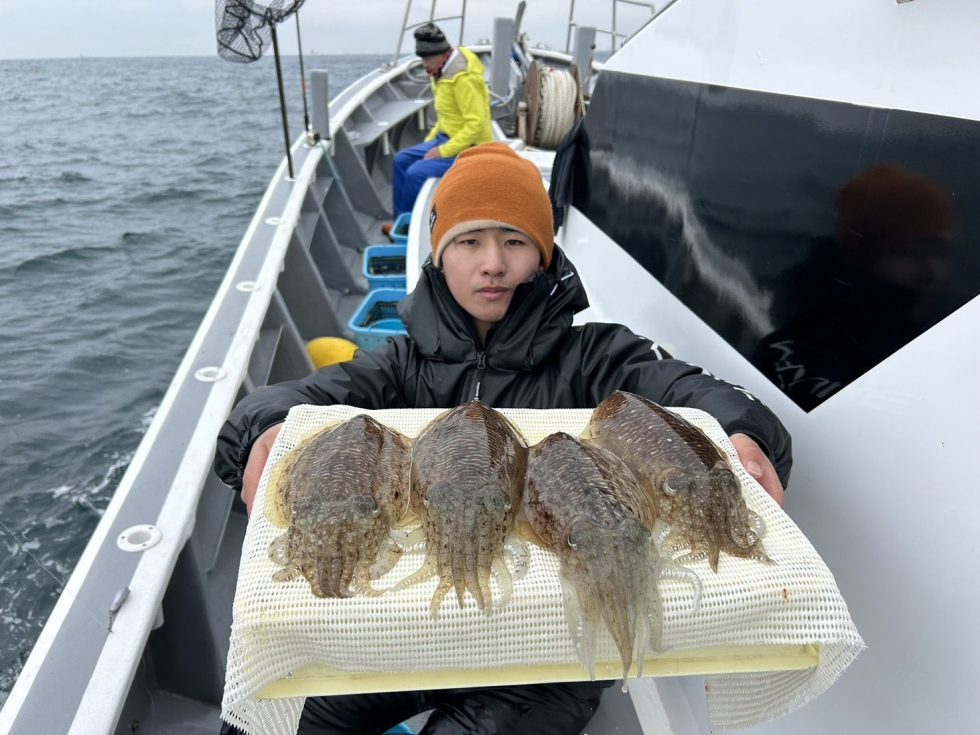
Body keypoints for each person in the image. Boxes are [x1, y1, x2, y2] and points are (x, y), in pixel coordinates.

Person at [215, 142, 792, 734]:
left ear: (543, 257)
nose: (493, 263)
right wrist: (265, 429)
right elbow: (298, 398)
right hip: (412, 626)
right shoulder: (400, 364)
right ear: (440, 255)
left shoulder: (598, 355)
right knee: (261, 718)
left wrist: (743, 431)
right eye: (469, 241)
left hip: (551, 647)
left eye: (515, 241)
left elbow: (689, 389)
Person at [754, 164, 956, 410]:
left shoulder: (951, 323)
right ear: (865, 256)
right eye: (910, 253)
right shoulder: (808, 329)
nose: (931, 272)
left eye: (939, 252)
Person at [384, 22, 493, 233]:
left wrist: (442, 151)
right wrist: (430, 142)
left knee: (415, 173)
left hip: (470, 148)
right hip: (446, 138)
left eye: (426, 60)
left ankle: (416, 229)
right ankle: (401, 223)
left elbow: (476, 124)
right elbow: (447, 116)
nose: (424, 65)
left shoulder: (463, 79)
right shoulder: (441, 72)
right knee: (401, 160)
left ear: (442, 55)